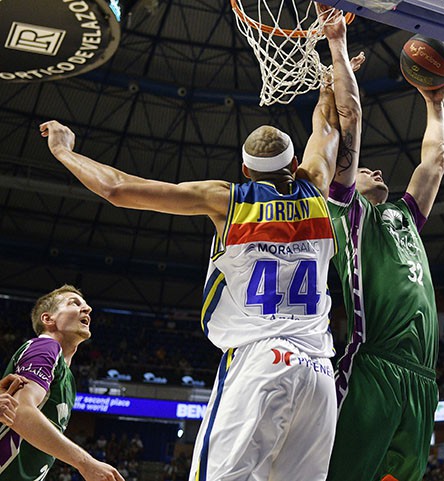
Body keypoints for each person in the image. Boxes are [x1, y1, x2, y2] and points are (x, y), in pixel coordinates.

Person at [40, 15, 350, 477]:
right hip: (321, 371)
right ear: (293, 166)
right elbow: (329, 127)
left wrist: (65, 152)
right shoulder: (317, 188)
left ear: (245, 171)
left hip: (261, 360)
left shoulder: (225, 199)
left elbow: (119, 189)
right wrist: (331, 76)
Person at [324, 13, 444, 479]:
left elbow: (435, 161)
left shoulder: (405, 216)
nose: (374, 170)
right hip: (373, 367)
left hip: (422, 379)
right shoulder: (348, 214)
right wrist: (338, 46)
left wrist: (435, 102)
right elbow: (351, 121)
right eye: (364, 170)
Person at [0, 285, 124, 481]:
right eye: (74, 303)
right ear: (48, 319)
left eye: (85, 304)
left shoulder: (69, 380)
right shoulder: (45, 346)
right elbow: (20, 411)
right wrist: (86, 463)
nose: (87, 309)